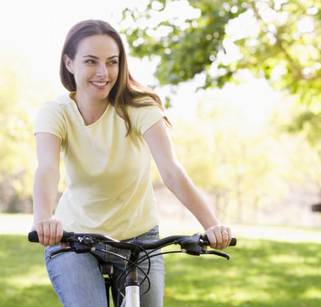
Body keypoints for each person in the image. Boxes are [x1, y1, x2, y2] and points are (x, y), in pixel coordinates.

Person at [31, 19, 232, 307]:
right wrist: (43, 219)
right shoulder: (56, 112)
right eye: (91, 61)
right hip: (75, 239)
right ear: (69, 63)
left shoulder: (138, 107)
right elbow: (48, 168)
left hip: (139, 239)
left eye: (112, 62)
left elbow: (171, 170)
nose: (103, 73)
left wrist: (212, 225)